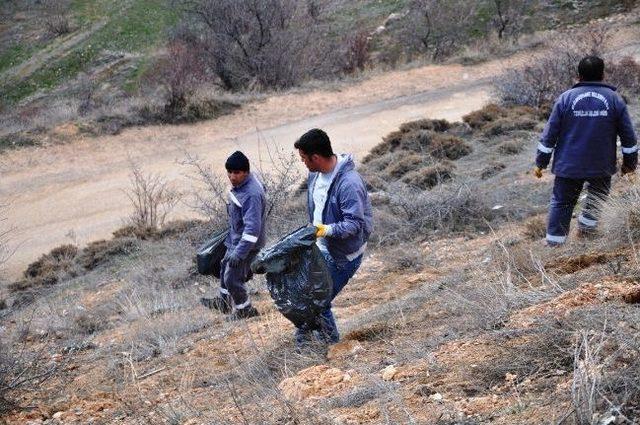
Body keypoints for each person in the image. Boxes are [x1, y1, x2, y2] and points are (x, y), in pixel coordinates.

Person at [534, 55, 637, 246]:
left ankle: (555, 244)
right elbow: (629, 138)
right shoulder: (615, 100)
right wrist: (630, 165)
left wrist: (541, 162)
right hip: (601, 165)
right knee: (597, 197)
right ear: (603, 74)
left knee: (563, 202)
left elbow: (549, 135)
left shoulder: (565, 99)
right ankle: (586, 232)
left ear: (578, 76)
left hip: (569, 165)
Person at [294, 128, 373, 345]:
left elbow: (354, 224)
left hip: (343, 255)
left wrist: (325, 230)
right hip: (321, 247)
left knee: (316, 300)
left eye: (304, 158)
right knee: (307, 296)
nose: (303, 163)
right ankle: (313, 340)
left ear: (316, 157)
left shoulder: (349, 183)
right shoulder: (314, 175)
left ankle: (329, 344)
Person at [201, 151, 266, 319]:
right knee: (224, 267)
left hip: (246, 244)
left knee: (232, 278)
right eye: (229, 172)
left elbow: (252, 230)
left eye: (236, 173)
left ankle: (245, 310)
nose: (232, 176)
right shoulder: (243, 185)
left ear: (246, 172)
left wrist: (240, 252)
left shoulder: (251, 194)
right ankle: (223, 302)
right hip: (235, 239)